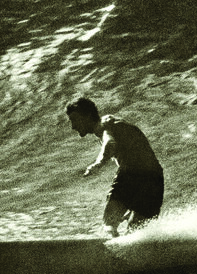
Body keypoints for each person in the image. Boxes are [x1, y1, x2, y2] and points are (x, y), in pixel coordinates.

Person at [65, 97, 164, 236]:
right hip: (155, 180)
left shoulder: (104, 125)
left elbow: (110, 143)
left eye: (74, 119)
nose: (73, 126)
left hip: (133, 175)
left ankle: (113, 250)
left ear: (87, 115)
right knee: (137, 230)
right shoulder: (115, 123)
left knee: (109, 221)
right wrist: (135, 201)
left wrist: (97, 164)